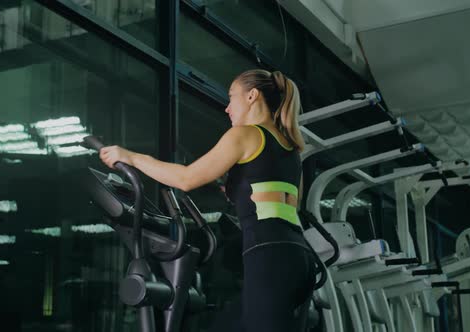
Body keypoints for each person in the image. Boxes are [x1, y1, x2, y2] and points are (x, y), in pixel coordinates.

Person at [99, 69, 317, 332]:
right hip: (299, 257)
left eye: (231, 97)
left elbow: (186, 179)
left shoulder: (245, 134)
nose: (227, 108)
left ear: (251, 96)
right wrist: (233, 188)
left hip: (269, 257)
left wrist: (131, 157)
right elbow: (281, 201)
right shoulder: (291, 148)